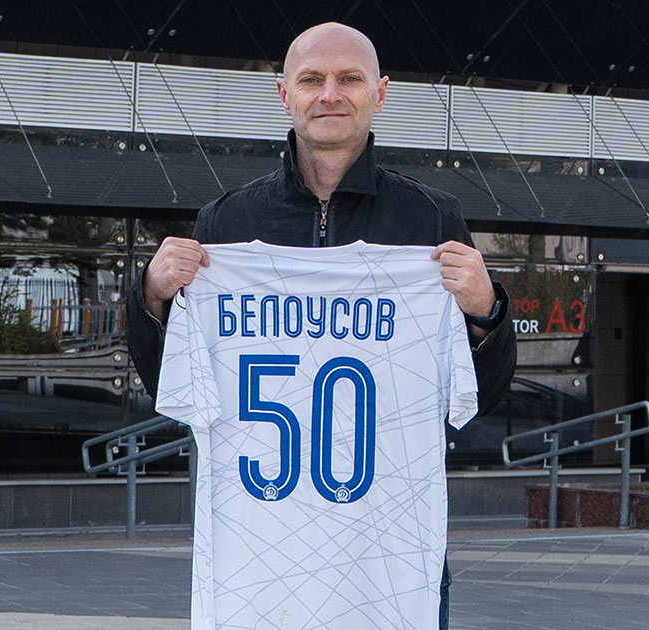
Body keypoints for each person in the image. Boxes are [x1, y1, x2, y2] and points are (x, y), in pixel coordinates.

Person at [126, 22, 517, 629]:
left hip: (387, 560)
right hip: (260, 559)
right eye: (312, 79)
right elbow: (175, 387)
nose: (330, 94)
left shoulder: (430, 221)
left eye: (349, 79)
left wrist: (485, 312)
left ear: (379, 93)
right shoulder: (226, 224)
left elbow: (477, 397)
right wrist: (152, 296)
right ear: (285, 94)